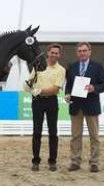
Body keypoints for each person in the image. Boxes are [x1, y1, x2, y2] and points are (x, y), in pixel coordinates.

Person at [65, 42, 104, 173]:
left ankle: (94, 163)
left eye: (84, 50)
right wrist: (67, 94)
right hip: (76, 106)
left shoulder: (97, 66)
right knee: (75, 136)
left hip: (91, 106)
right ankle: (75, 161)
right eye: (80, 51)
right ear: (77, 53)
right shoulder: (72, 66)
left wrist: (94, 88)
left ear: (89, 51)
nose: (82, 53)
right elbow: (69, 85)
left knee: (94, 136)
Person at [24, 43, 66, 171]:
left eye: (56, 53)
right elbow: (30, 82)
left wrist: (39, 90)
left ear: (59, 55)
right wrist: (29, 87)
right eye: (52, 52)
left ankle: (52, 161)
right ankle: (35, 161)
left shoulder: (61, 70)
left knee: (53, 132)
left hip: (51, 101)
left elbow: (54, 90)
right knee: (37, 132)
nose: (54, 55)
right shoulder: (38, 66)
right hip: (37, 102)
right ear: (48, 52)